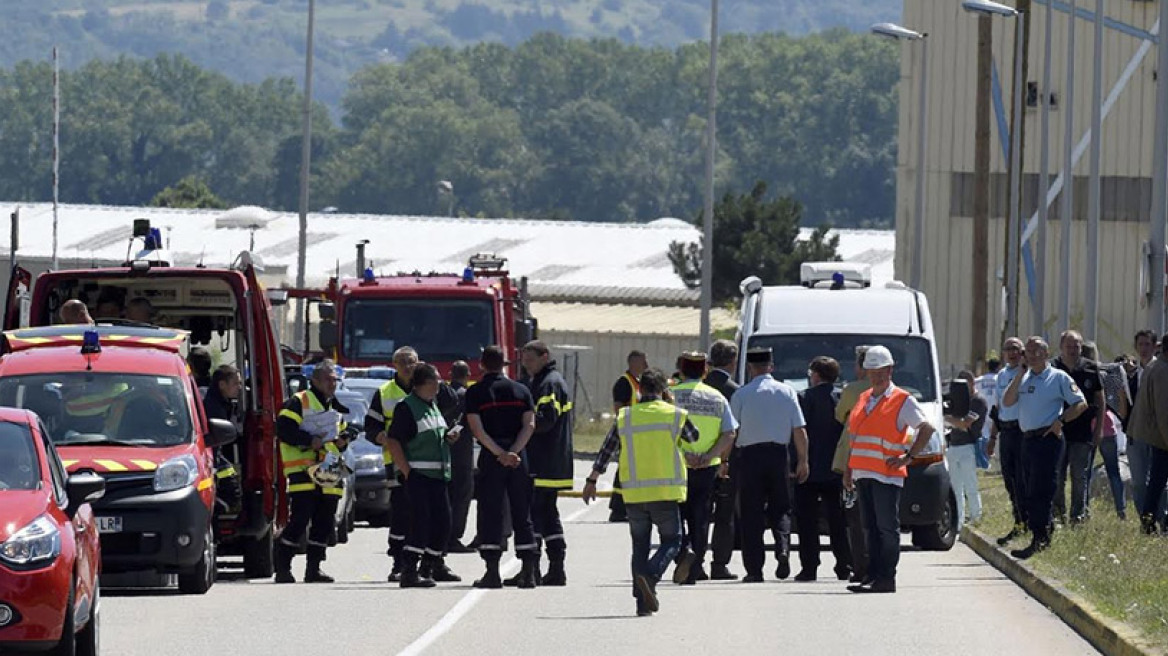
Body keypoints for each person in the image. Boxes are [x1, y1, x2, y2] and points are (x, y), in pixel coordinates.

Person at [583, 369, 701, 616]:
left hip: (634, 494)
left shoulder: (625, 416)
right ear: (664, 390)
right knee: (672, 540)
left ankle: (642, 604)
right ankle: (651, 575)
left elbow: (607, 450)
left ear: (639, 390)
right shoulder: (674, 415)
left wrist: (592, 479)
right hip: (665, 492)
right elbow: (694, 436)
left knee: (639, 546)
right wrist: (672, 405)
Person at [844, 345, 938, 593]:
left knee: (886, 528)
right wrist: (849, 469)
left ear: (890, 370)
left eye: (880, 370)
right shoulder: (864, 398)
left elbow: (926, 428)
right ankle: (873, 575)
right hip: (863, 473)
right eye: (871, 370)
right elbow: (855, 438)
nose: (876, 375)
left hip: (886, 475)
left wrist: (908, 457)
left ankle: (886, 578)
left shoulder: (902, 400)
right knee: (870, 529)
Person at [366, 347, 459, 579]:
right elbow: (372, 426)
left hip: (432, 470)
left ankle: (433, 563)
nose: (408, 366)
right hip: (401, 466)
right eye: (403, 362)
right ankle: (401, 564)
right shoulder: (387, 393)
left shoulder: (431, 395)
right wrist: (383, 439)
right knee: (403, 515)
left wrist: (432, 374)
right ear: (394, 365)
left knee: (436, 518)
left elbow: (452, 401)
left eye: (413, 362)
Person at [1001, 337, 1087, 560]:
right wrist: (1020, 374)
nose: (1030, 356)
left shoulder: (1058, 377)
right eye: (1027, 352)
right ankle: (1042, 532)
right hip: (1027, 440)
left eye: (1036, 351)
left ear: (1046, 354)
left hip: (1048, 439)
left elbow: (1080, 403)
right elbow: (1007, 402)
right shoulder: (1024, 378)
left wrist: (1061, 420)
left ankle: (1040, 538)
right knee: (1027, 489)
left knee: (1042, 490)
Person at [730, 347, 810, 583]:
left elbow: (732, 431)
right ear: (771, 367)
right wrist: (803, 461)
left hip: (750, 457)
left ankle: (754, 570)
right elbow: (800, 430)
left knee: (751, 513)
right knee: (782, 507)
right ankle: (783, 547)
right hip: (778, 455)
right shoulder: (787, 392)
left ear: (750, 368)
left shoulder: (742, 395)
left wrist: (725, 460)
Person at [465, 346, 539, 588]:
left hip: (492, 457)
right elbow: (529, 425)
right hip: (519, 457)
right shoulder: (522, 390)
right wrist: (514, 452)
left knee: (491, 513)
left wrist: (499, 454)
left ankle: (492, 572)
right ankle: (528, 571)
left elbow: (477, 429)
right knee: (522, 511)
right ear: (505, 365)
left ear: (481, 365)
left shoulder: (476, 393)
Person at [274, 360, 351, 583]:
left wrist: (343, 441)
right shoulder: (299, 401)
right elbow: (284, 429)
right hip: (303, 470)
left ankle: (314, 568)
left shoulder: (334, 406)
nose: (332, 384)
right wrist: (309, 440)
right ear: (315, 380)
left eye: (335, 380)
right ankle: (283, 567)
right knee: (300, 519)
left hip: (328, 470)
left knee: (325, 521)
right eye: (328, 379)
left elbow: (339, 437)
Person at [669, 351, 737, 585]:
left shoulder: (670, 396)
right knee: (700, 518)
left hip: (677, 465)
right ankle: (696, 567)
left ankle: (682, 553)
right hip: (707, 468)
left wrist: (684, 454)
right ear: (705, 371)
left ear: (681, 370)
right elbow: (729, 433)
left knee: (676, 515)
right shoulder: (717, 397)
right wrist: (709, 456)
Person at [521, 340, 575, 587]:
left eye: (530, 359)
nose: (525, 363)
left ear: (545, 356)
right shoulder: (545, 380)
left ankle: (533, 569)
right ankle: (553, 569)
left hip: (544, 461)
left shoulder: (549, 383)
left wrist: (520, 423)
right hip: (549, 461)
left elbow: (545, 420)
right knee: (547, 515)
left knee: (536, 515)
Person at [794, 356, 852, 582]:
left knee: (807, 522)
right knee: (838, 520)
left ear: (816, 375)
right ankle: (844, 565)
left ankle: (809, 567)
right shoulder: (842, 398)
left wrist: (796, 463)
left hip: (808, 467)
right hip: (836, 468)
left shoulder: (804, 398)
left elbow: (798, 432)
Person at [1051, 330, 1105, 525]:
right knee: (1057, 476)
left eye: (1077, 346)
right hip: (1057, 432)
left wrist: (1098, 429)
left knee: (1079, 476)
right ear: (1061, 347)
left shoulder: (1090, 368)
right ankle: (1058, 515)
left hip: (1082, 433)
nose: (1073, 350)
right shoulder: (1052, 368)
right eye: (1069, 346)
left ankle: (1078, 516)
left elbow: (1100, 400)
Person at [832, 345, 872, 584]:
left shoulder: (853, 389)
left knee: (855, 519)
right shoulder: (894, 391)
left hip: (853, 461)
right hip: (883, 464)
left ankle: (860, 566)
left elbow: (839, 415)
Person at [704, 339, 741, 581]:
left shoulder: (699, 387)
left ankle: (693, 561)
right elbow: (734, 430)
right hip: (726, 460)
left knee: (698, 512)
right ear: (732, 362)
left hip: (697, 460)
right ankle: (719, 564)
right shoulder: (735, 391)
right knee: (724, 516)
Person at [987, 337, 1028, 546]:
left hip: (1022, 431)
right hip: (1006, 431)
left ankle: (1025, 523)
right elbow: (997, 410)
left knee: (1022, 479)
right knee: (1009, 479)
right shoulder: (1001, 376)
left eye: (1016, 349)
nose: (1012, 353)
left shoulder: (1027, 373)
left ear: (1022, 352)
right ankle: (1019, 520)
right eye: (1008, 349)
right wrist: (992, 438)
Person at [1128, 334, 1168, 535]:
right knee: (1155, 484)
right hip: (1160, 438)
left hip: (1152, 435)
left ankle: (1150, 523)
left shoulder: (1155, 366)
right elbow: (1164, 410)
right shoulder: (1162, 370)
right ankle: (1152, 524)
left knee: (1156, 484)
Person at [610, 349, 649, 523]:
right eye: (643, 362)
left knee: (631, 469)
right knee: (624, 469)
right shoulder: (624, 383)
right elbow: (618, 407)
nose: (646, 365)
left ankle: (626, 506)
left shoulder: (638, 383)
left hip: (637, 432)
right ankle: (617, 509)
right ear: (633, 363)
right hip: (627, 431)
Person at [944, 370, 986, 529]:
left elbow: (964, 423)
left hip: (969, 446)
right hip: (953, 446)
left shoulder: (978, 401)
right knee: (955, 488)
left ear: (971, 383)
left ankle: (976, 517)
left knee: (971, 486)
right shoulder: (958, 401)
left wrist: (946, 418)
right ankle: (958, 522)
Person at [203, 364, 243, 513]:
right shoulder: (214, 407)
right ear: (221, 385)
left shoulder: (220, 402)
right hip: (212, 457)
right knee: (231, 492)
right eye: (235, 383)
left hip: (216, 455)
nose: (239, 387)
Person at [447, 360, 475, 554]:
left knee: (447, 495)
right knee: (462, 495)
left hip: (444, 451)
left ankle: (443, 534)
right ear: (468, 375)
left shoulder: (442, 393)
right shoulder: (467, 396)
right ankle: (454, 537)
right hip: (462, 452)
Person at [974, 358, 1001, 441]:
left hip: (982, 415)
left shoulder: (977, 381)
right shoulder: (1001, 380)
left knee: (984, 442)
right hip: (997, 415)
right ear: (999, 367)